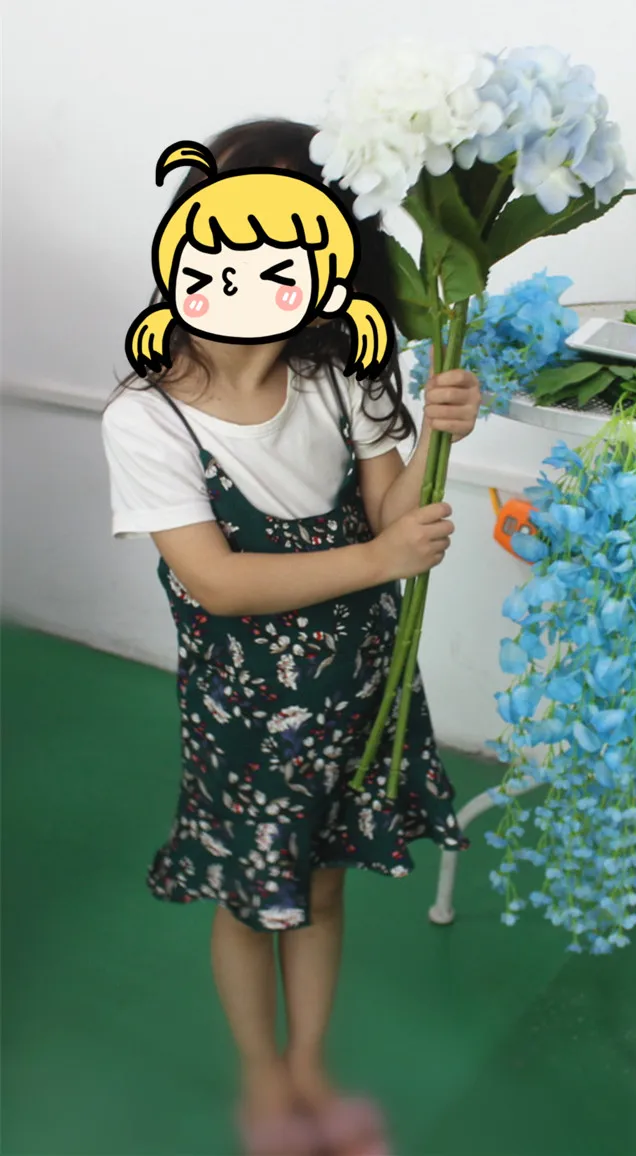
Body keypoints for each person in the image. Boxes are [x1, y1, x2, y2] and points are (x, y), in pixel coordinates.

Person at [102, 118, 482, 1156]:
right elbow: (217, 582)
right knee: (248, 897)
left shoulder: (341, 376)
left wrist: (438, 431)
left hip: (357, 686)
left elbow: (392, 509)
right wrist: (380, 558)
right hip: (245, 711)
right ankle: (262, 1077)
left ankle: (310, 1063)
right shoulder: (148, 417)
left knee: (319, 880)